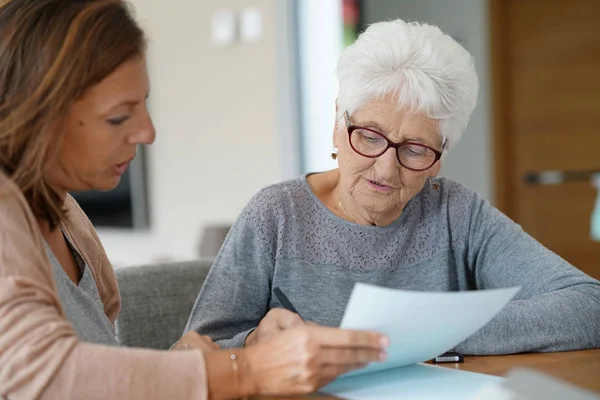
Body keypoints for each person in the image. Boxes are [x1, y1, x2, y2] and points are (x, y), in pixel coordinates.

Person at [0, 1, 389, 399]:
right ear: (37, 114)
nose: (147, 132)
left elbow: (108, 380)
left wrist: (238, 352)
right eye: (118, 116)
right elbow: (42, 376)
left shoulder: (64, 214)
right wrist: (245, 372)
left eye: (144, 104)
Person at [185, 18, 600, 354]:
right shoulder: (276, 215)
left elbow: (589, 306)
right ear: (337, 123)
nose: (385, 170)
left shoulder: (457, 213)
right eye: (369, 136)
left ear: (441, 156)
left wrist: (429, 331)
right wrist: (255, 345)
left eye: (416, 149)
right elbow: (189, 356)